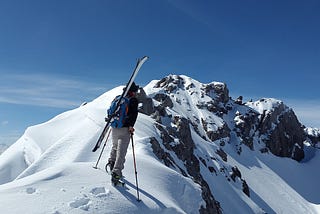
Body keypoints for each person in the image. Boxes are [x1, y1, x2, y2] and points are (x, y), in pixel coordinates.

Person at [106, 82, 139, 184]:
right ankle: (116, 174)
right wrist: (130, 126)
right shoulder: (133, 100)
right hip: (124, 129)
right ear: (132, 91)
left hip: (115, 127)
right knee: (122, 152)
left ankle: (111, 163)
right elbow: (133, 115)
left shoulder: (118, 98)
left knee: (115, 146)